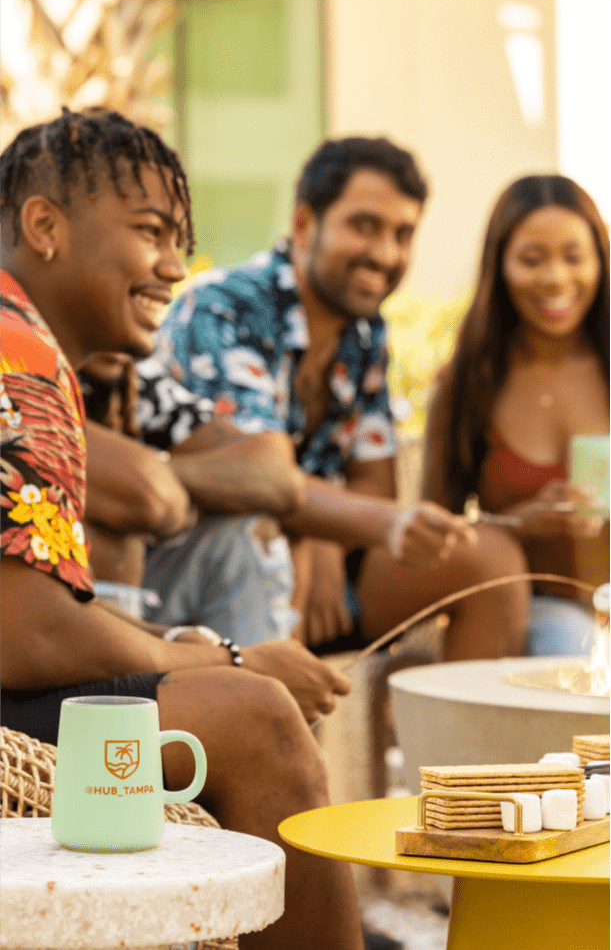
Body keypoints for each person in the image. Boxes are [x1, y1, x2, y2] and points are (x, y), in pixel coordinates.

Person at [0, 107, 368, 950]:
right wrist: (229, 660)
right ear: (45, 225)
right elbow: (26, 638)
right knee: (256, 721)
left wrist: (184, 645)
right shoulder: (16, 349)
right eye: (151, 232)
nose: (174, 265)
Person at [139, 136, 530, 661]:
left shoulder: (365, 331)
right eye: (365, 226)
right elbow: (259, 479)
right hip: (204, 555)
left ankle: (467, 745)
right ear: (304, 224)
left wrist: (325, 539)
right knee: (275, 543)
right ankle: (273, 730)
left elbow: (376, 480)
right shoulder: (223, 309)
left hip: (321, 547)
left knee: (491, 564)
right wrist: (316, 535)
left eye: (403, 234)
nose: (386, 254)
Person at [421, 173, 610, 655]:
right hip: (544, 609)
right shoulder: (465, 386)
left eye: (574, 257)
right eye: (531, 259)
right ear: (500, 265)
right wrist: (518, 523)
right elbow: (434, 534)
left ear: (600, 262)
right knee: (571, 646)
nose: (555, 278)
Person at [80, 351, 301, 644]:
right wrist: (139, 483)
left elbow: (279, 477)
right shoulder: (18, 361)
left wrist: (150, 470)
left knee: (239, 534)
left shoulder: (132, 370)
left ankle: (243, 682)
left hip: (142, 591)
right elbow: (156, 502)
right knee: (114, 537)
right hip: (42, 619)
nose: (163, 301)